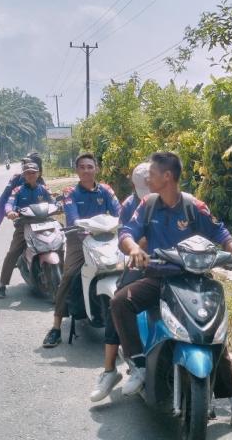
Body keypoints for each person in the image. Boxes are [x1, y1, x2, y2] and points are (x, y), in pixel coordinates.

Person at [111, 152, 232, 437]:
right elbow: (127, 232)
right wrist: (135, 249)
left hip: (195, 282)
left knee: (215, 337)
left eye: (151, 173)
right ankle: (138, 365)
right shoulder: (148, 204)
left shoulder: (194, 206)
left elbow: (220, 232)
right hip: (158, 279)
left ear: (167, 177)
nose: (147, 178)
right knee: (120, 302)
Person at [42, 153, 121, 347]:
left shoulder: (106, 190)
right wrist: (82, 229)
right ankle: (56, 327)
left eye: (90, 166)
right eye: (82, 167)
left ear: (96, 169)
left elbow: (120, 212)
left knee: (130, 270)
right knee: (68, 276)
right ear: (77, 170)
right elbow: (72, 217)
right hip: (80, 238)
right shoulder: (70, 192)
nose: (86, 170)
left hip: (107, 237)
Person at [89, 161, 150, 402]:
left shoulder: (173, 200)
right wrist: (139, 245)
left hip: (172, 265)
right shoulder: (129, 206)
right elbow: (125, 241)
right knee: (118, 302)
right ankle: (109, 370)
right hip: (140, 266)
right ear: (135, 187)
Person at [0, 162, 54, 298]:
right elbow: (10, 203)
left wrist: (59, 205)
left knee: (62, 240)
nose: (31, 175)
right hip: (24, 225)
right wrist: (9, 211)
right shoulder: (18, 190)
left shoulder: (44, 189)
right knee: (13, 252)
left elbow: (53, 201)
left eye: (33, 172)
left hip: (45, 223)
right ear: (24, 175)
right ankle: (2, 284)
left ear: (38, 174)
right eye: (28, 172)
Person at [0, 152, 44, 230]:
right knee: (18, 240)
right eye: (25, 165)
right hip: (22, 220)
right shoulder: (16, 180)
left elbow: (49, 199)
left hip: (41, 219)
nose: (27, 167)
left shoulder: (41, 183)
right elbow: (6, 198)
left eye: (33, 171)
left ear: (38, 169)